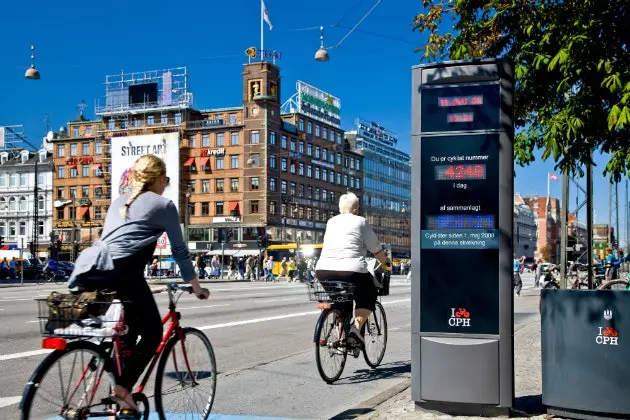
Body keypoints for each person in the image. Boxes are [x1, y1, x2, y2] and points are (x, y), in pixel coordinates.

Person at [67, 154, 209, 413]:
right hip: (123, 273)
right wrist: (197, 287)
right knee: (153, 333)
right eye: (165, 180)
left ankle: (120, 400)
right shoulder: (164, 205)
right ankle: (122, 391)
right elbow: (179, 250)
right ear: (157, 179)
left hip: (92, 267)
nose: (165, 185)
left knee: (129, 332)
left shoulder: (118, 202)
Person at [315, 192, 390, 345]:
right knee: (368, 296)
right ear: (356, 209)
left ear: (340, 208)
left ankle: (341, 335)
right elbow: (376, 249)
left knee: (341, 301)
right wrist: (386, 264)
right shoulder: (360, 221)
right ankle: (355, 331)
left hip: (323, 270)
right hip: (351, 270)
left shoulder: (331, 222)